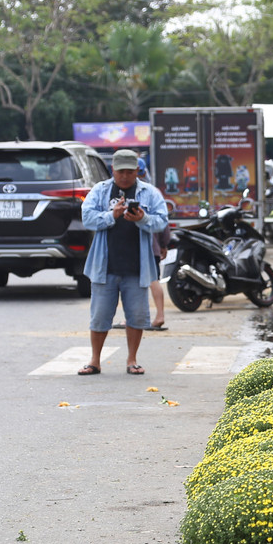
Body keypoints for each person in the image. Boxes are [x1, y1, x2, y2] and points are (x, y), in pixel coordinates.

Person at [78, 149, 168, 376]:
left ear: (137, 171)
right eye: (121, 172)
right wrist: (112, 215)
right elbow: (87, 218)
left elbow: (162, 222)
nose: (126, 176)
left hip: (137, 267)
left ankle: (132, 360)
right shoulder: (100, 191)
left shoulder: (150, 193)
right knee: (99, 316)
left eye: (130, 171)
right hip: (104, 266)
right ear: (113, 171)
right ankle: (95, 360)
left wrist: (142, 219)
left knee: (137, 315)